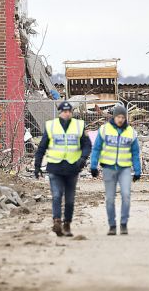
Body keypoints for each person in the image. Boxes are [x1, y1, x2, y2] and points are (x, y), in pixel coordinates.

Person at [34, 101, 91, 237]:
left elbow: (87, 145)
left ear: (71, 113)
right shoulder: (51, 126)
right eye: (64, 111)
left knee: (70, 199)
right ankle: (57, 221)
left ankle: (67, 224)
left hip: (72, 167)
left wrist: (83, 158)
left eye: (69, 111)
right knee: (57, 195)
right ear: (60, 112)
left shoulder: (78, 126)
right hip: (55, 167)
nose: (67, 113)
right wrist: (37, 165)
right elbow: (42, 146)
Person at [91, 103, 141, 235]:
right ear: (114, 117)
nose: (120, 119)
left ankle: (123, 223)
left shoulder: (131, 132)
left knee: (126, 195)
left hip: (124, 168)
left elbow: (135, 152)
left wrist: (137, 170)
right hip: (108, 168)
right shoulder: (104, 130)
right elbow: (96, 148)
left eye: (122, 117)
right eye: (118, 117)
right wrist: (93, 165)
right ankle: (112, 225)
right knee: (110, 198)